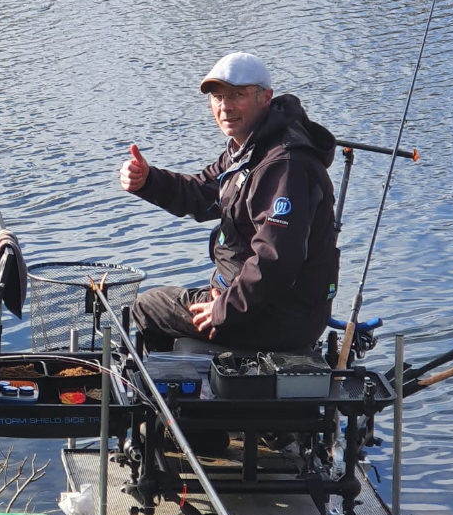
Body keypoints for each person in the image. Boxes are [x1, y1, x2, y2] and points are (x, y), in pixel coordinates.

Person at [119, 52, 339, 352]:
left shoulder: (284, 164)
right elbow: (201, 194)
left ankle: (170, 383)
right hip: (254, 304)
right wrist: (148, 180)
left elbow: (276, 259)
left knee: (148, 306)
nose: (225, 107)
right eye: (218, 97)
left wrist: (224, 309)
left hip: (279, 318)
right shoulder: (249, 148)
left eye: (237, 95)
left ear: (265, 97)